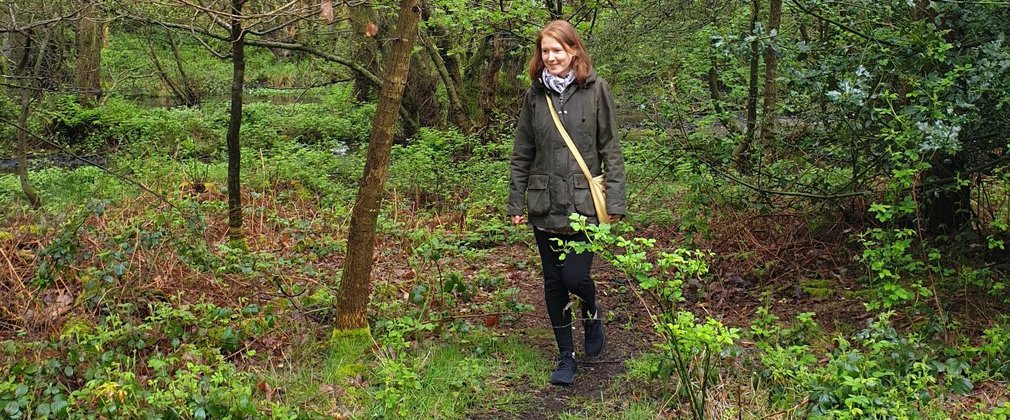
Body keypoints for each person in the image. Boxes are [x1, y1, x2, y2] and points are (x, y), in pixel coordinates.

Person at [507, 20, 627, 386]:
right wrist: (516, 202)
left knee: (575, 275)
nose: (551, 57)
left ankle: (592, 311)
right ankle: (565, 356)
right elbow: (522, 152)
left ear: (573, 51)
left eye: (557, 50)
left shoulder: (595, 89)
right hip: (545, 203)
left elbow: (611, 148)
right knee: (553, 282)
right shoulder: (534, 96)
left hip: (583, 203)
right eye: (545, 51)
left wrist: (616, 198)